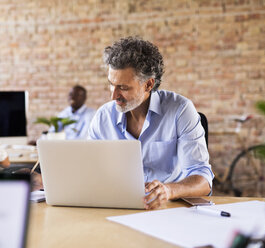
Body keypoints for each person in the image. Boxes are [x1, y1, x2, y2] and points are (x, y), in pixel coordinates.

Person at [89, 37, 214, 210]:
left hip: (168, 209)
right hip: (118, 208)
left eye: (123, 88)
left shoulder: (180, 110)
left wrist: (168, 190)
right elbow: (91, 172)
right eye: (111, 85)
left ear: (148, 84)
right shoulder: (103, 117)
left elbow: (203, 179)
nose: (113, 96)